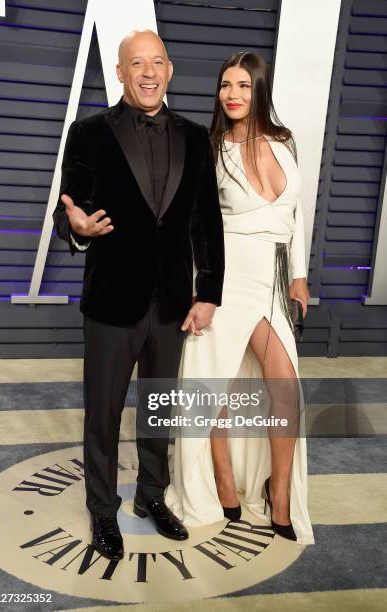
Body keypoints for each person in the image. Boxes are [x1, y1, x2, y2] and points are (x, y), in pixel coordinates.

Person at [52, 30, 225, 560]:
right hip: (110, 302)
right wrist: (77, 226)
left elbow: (206, 222)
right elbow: (71, 209)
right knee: (102, 414)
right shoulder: (88, 133)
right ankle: (103, 511)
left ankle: (152, 496)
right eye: (136, 64)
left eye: (156, 63)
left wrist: (208, 291)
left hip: (172, 303)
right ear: (121, 73)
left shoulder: (198, 138)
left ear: (169, 70)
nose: (147, 73)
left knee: (159, 408)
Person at [166, 51, 315, 545]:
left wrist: (298, 275)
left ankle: (281, 497)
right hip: (226, 277)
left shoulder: (285, 141)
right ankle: (224, 485)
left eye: (243, 86)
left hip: (271, 280)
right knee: (218, 390)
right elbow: (196, 224)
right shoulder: (211, 148)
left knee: (284, 388)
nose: (232, 94)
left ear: (260, 90)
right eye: (226, 85)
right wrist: (199, 286)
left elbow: (295, 216)